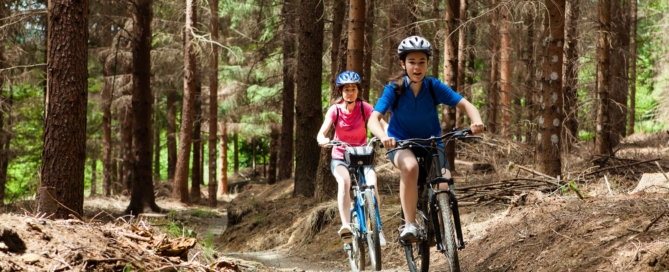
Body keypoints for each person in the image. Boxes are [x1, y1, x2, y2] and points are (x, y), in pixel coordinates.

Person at [367, 36, 485, 242]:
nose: (417, 67)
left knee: (444, 185)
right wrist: (384, 137)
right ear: (403, 63)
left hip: (432, 143)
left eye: (422, 62)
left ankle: (443, 231)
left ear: (428, 63)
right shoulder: (394, 88)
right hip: (400, 144)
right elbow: (373, 120)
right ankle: (410, 225)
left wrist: (476, 122)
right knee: (411, 167)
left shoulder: (433, 86)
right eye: (412, 62)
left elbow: (466, 105)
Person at [317, 71, 388, 245]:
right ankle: (346, 226)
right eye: (346, 89)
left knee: (372, 183)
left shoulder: (364, 107)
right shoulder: (335, 110)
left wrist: (389, 134)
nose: (350, 92)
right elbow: (322, 131)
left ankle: (376, 228)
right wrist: (322, 140)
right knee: (344, 182)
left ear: (358, 91)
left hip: (362, 155)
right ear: (341, 91)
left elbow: (382, 123)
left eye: (353, 89)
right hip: (341, 157)